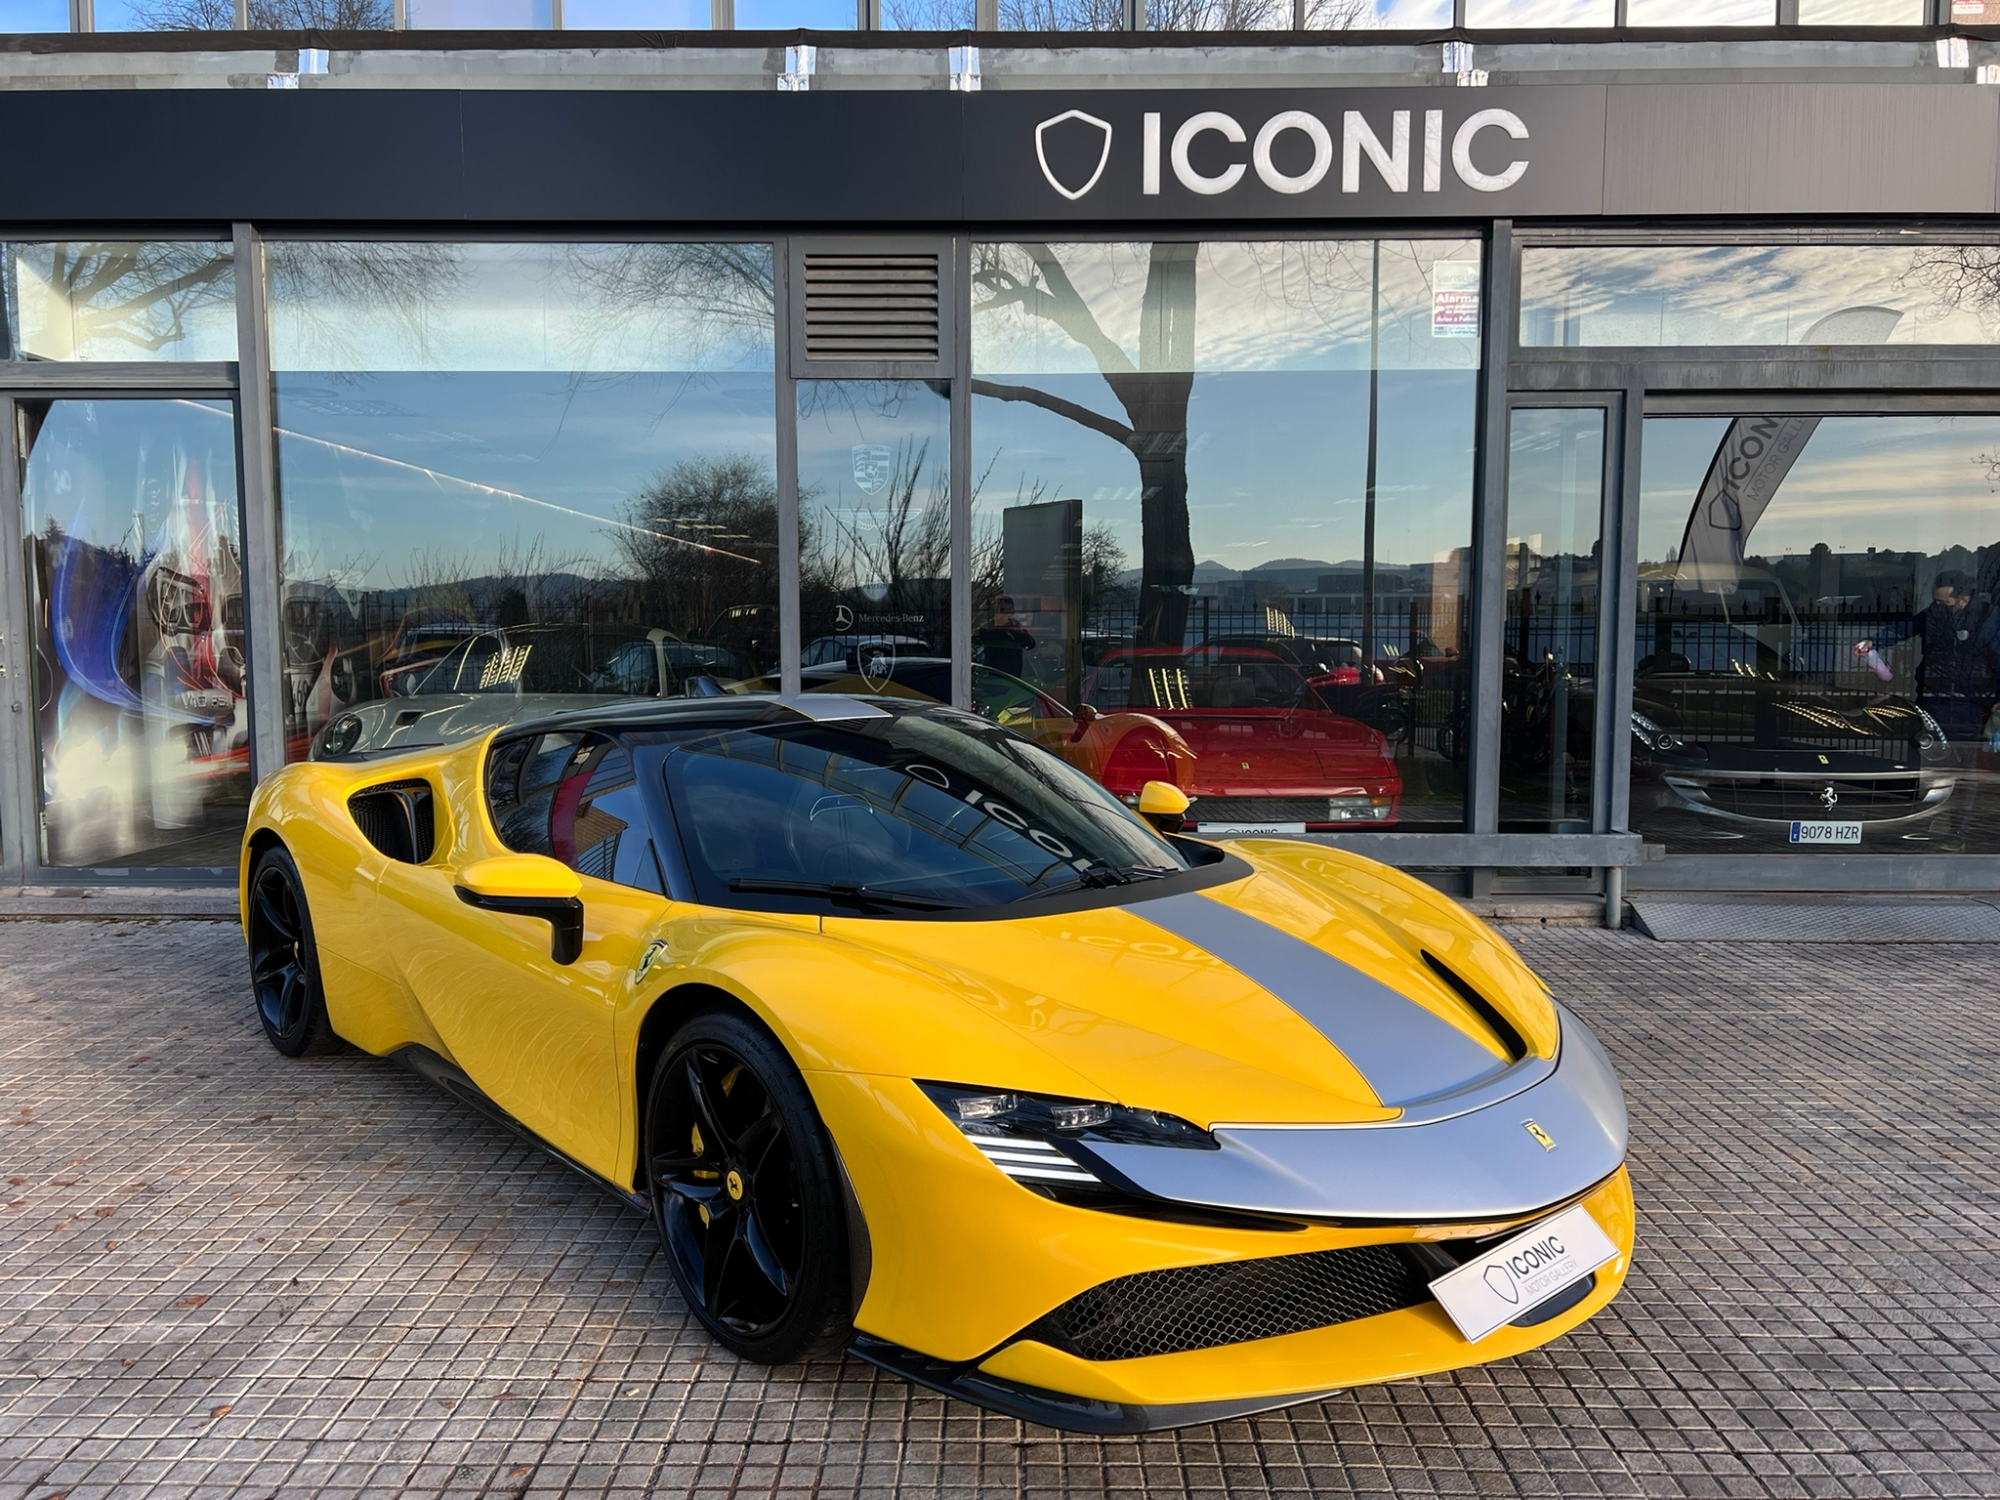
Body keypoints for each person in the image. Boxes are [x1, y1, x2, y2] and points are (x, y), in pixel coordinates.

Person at [1854, 569, 2000, 850]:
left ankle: (1958, 832)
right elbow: (1903, 629)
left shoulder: (1988, 621)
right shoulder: (1934, 614)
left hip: (1971, 705)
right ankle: (1924, 826)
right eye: (1935, 601)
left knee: (1964, 772)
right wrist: (1874, 642)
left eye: (1944, 602)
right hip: (1933, 701)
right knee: (1930, 768)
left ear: (1963, 600)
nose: (1938, 607)